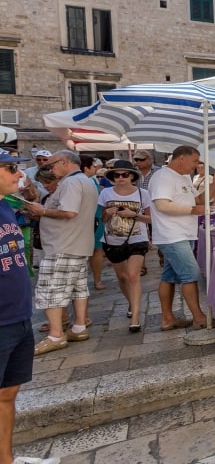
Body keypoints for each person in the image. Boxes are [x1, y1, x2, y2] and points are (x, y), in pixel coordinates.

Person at [0, 151, 51, 464]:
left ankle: (7, 458)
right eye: (10, 169)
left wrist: (29, 198)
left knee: (9, 392)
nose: (19, 175)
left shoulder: (7, 205)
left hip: (18, 315)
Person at [24, 151, 99, 356]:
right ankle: (79, 327)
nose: (50, 169)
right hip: (77, 244)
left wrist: (42, 211)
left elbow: (69, 212)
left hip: (63, 245)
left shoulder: (71, 183)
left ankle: (56, 335)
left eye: (51, 164)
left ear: (64, 162)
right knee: (78, 288)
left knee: (51, 291)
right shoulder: (84, 180)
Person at [149, 146, 215, 330]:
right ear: (181, 159)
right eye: (194, 161)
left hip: (183, 233)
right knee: (190, 274)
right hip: (171, 234)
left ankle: (168, 319)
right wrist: (191, 210)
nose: (196, 165)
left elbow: (199, 200)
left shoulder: (183, 178)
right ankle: (198, 317)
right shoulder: (163, 177)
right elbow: (162, 205)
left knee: (169, 276)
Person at [98, 160, 152, 333]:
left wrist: (134, 214)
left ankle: (135, 318)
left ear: (132, 176)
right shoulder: (106, 193)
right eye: (116, 174)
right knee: (122, 277)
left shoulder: (143, 194)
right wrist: (107, 212)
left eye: (125, 174)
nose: (120, 178)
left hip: (137, 239)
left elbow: (152, 219)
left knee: (132, 275)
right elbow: (102, 220)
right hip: (113, 240)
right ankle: (131, 303)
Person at [80, 155, 107, 291]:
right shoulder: (80, 181)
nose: (96, 168)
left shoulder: (93, 179)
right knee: (84, 251)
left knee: (97, 250)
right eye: (93, 166)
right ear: (86, 168)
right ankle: (82, 281)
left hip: (97, 217)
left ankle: (97, 279)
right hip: (84, 219)